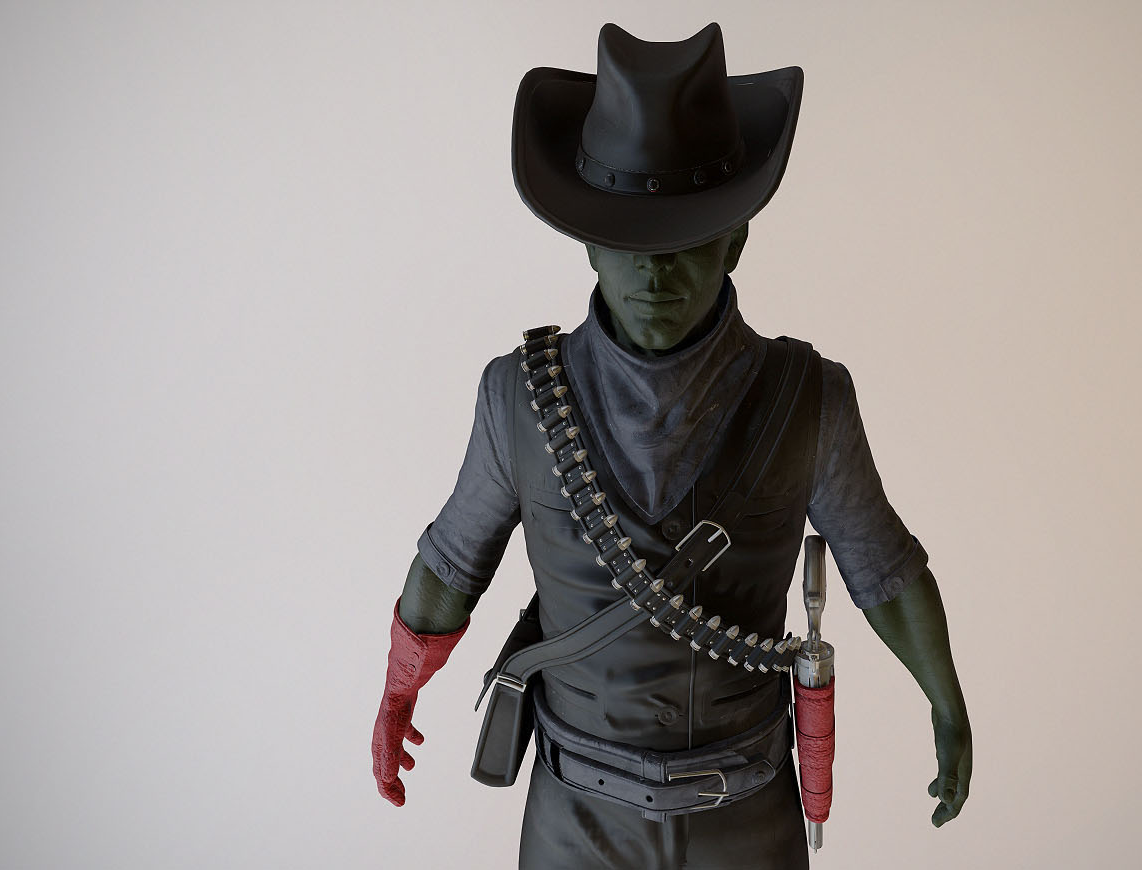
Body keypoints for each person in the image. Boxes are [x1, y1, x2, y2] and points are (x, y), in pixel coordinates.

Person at [369, 23, 971, 869]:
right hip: (574, 827)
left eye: (685, 237)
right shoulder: (517, 396)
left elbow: (885, 570)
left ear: (737, 238)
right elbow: (449, 565)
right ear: (587, 240)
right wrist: (398, 690)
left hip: (747, 823)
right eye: (630, 239)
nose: (655, 271)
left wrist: (946, 699)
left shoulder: (811, 400)